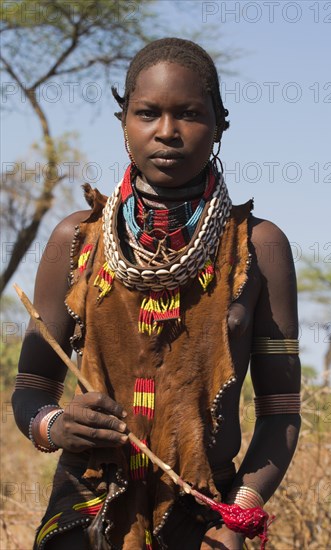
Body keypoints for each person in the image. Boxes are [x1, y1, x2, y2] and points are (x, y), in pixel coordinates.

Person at [12, 38, 301, 550]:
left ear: (220, 125)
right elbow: (32, 388)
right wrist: (55, 427)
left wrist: (239, 514)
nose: (166, 132)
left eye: (189, 114)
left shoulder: (259, 247)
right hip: (88, 502)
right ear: (125, 122)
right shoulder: (77, 239)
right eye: (147, 113)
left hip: (204, 507)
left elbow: (280, 411)